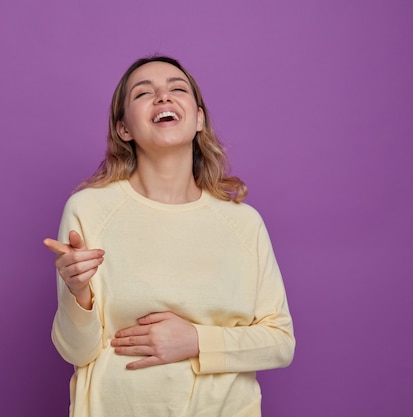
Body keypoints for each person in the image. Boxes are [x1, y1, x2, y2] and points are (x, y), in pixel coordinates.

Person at [43, 55, 295, 417]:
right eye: (144, 93)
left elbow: (280, 343)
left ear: (199, 118)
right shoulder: (89, 209)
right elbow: (77, 352)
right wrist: (77, 294)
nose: (163, 97)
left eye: (177, 89)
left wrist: (195, 341)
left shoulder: (244, 223)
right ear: (123, 128)